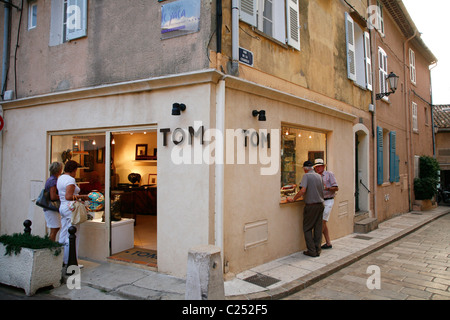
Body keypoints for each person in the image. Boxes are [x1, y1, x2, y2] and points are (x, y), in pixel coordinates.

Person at [287, 161, 324, 257]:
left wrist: (294, 198)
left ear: (305, 168)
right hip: (320, 204)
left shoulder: (306, 176)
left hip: (311, 205)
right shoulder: (319, 176)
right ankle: (317, 249)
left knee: (307, 228)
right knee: (318, 228)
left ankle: (311, 251)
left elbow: (303, 190)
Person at [57, 160, 90, 266]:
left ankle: (61, 258)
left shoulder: (61, 178)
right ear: (74, 170)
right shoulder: (70, 180)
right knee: (73, 234)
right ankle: (71, 261)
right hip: (70, 208)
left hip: (62, 207)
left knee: (63, 233)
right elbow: (68, 196)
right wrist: (83, 197)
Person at [313, 158, 338, 250]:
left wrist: (327, 188)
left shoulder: (329, 174)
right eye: (316, 167)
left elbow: (336, 187)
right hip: (319, 201)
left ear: (323, 166)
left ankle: (316, 244)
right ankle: (328, 243)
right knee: (323, 222)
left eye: (319, 166)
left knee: (322, 222)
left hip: (328, 200)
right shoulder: (315, 176)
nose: (318, 168)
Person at [43, 162, 63, 241]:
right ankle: (50, 246)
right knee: (55, 228)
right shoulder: (53, 181)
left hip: (49, 208)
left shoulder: (51, 179)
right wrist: (62, 196)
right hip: (51, 208)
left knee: (54, 228)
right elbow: (53, 196)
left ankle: (51, 245)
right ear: (59, 170)